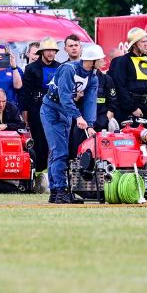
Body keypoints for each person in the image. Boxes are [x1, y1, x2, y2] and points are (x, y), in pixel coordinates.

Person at [40, 42, 99, 205]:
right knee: (59, 151)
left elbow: (90, 102)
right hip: (51, 110)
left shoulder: (93, 77)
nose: (101, 62)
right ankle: (61, 191)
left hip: (66, 113)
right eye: (99, 59)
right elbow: (65, 96)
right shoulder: (68, 69)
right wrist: (78, 117)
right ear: (91, 61)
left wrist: (90, 124)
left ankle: (55, 193)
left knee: (58, 152)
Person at [21, 37, 62, 176]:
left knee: (55, 141)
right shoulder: (31, 68)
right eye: (48, 50)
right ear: (42, 52)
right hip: (36, 108)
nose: (51, 53)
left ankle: (53, 173)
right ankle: (39, 174)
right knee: (39, 141)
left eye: (53, 50)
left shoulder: (60, 67)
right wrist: (25, 112)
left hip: (56, 108)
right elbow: (25, 92)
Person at [108, 28, 147, 133]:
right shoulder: (123, 61)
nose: (146, 44)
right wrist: (132, 108)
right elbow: (120, 87)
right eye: (143, 42)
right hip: (130, 111)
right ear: (134, 44)